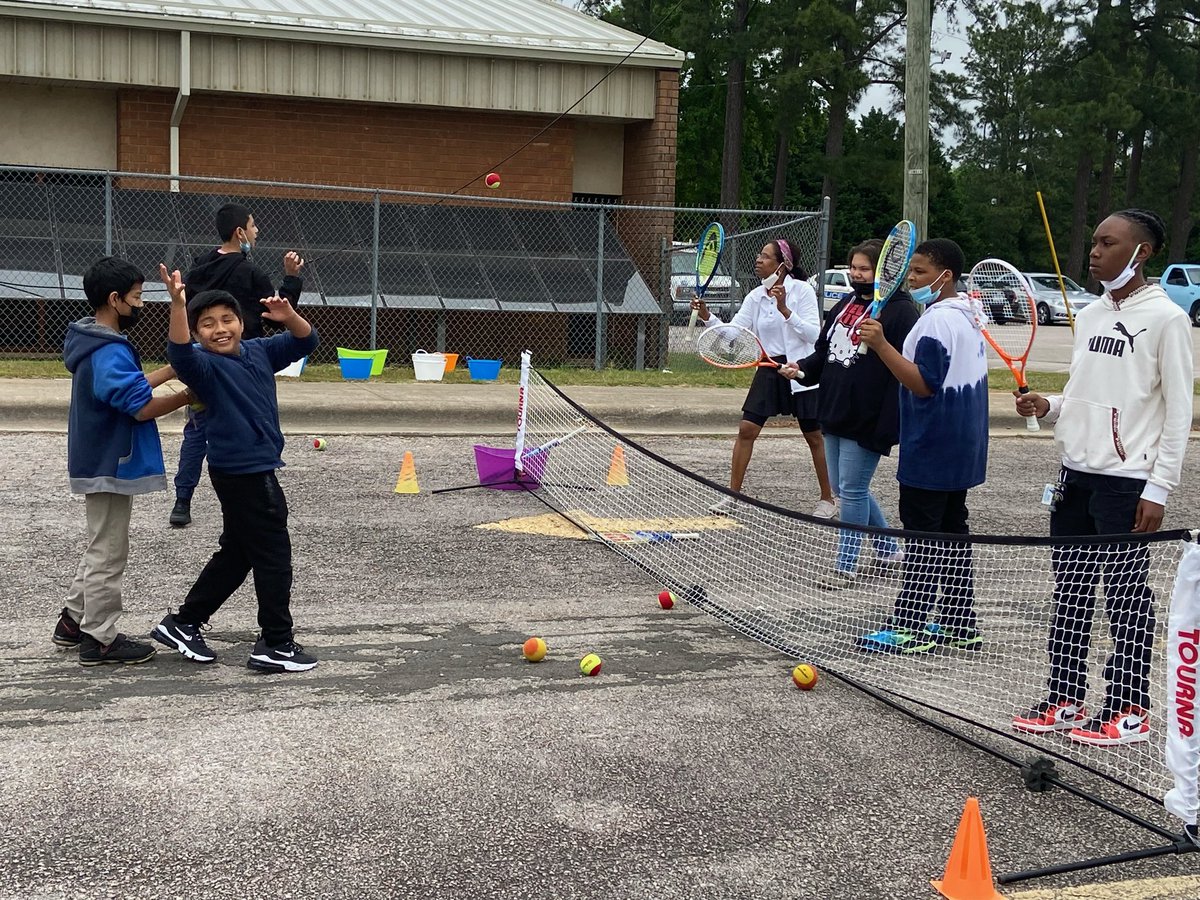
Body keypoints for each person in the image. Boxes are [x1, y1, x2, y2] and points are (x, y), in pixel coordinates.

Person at [1012, 209, 1192, 746]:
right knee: (1069, 593)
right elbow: (1086, 394)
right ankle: (1065, 696)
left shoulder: (1166, 320)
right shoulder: (1089, 315)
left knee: (1125, 596)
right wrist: (1049, 406)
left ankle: (1130, 706)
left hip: (1126, 483)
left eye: (1107, 243)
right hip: (1075, 475)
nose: (1094, 251)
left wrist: (1157, 489)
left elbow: (1178, 414)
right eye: (1093, 241)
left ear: (1142, 253)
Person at [154, 263, 320, 673]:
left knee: (240, 552)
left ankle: (184, 622)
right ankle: (277, 643)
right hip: (244, 473)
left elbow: (306, 340)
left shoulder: (259, 351)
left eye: (227, 319)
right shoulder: (204, 366)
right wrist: (178, 305)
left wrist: (290, 316)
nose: (220, 328)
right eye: (207, 324)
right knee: (274, 555)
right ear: (197, 334)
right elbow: (177, 352)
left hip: (254, 467)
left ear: (242, 323)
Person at [57, 256, 194, 666]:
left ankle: (72, 621)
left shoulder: (94, 341)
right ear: (115, 300)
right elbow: (140, 408)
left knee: (102, 542)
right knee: (110, 550)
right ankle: (99, 639)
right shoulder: (108, 351)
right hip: (109, 463)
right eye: (136, 298)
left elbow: (130, 386)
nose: (141, 305)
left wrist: (173, 368)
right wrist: (188, 396)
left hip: (98, 458)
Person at [855, 238, 988, 653]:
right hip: (964, 443)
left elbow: (924, 383)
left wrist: (881, 346)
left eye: (920, 272)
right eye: (910, 272)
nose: (911, 279)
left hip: (932, 443)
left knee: (923, 536)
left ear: (945, 276)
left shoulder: (934, 321)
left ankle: (909, 626)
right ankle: (959, 622)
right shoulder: (969, 315)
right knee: (952, 532)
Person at [783, 239, 918, 589]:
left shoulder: (900, 311)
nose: (857, 275)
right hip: (834, 406)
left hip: (869, 413)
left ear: (883, 273)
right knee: (849, 486)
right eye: (854, 268)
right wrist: (800, 370)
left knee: (852, 491)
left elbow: (903, 367)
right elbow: (825, 352)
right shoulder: (845, 303)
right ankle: (888, 549)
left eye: (865, 269)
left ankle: (846, 566)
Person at [168, 203, 305, 528]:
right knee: (251, 424)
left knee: (197, 430)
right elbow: (275, 316)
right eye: (254, 227)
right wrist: (291, 279)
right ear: (240, 232)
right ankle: (255, 490)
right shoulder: (250, 273)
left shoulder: (199, 267)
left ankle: (182, 501)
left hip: (203, 363)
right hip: (245, 366)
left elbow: (187, 312)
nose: (257, 233)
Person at [693, 239, 835, 516]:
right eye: (758, 255)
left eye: (765, 256)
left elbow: (813, 335)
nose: (758, 260)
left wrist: (784, 309)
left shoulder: (802, 291)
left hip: (802, 367)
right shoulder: (755, 296)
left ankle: (828, 500)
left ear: (782, 265)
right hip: (769, 367)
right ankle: (732, 496)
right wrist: (707, 316)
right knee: (747, 429)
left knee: (814, 436)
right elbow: (735, 333)